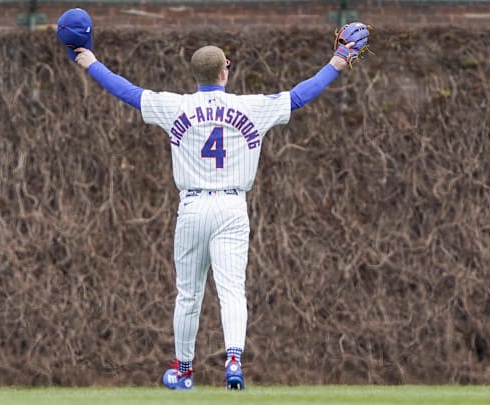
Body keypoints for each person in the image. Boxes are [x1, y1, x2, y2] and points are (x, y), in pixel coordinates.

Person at [63, 17, 362, 390]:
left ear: (196, 75)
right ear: (226, 71)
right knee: (232, 290)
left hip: (192, 207)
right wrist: (338, 61)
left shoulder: (174, 107)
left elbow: (127, 90)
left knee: (188, 293)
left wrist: (88, 59)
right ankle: (233, 361)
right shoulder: (252, 106)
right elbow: (300, 95)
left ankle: (184, 370)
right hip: (233, 207)